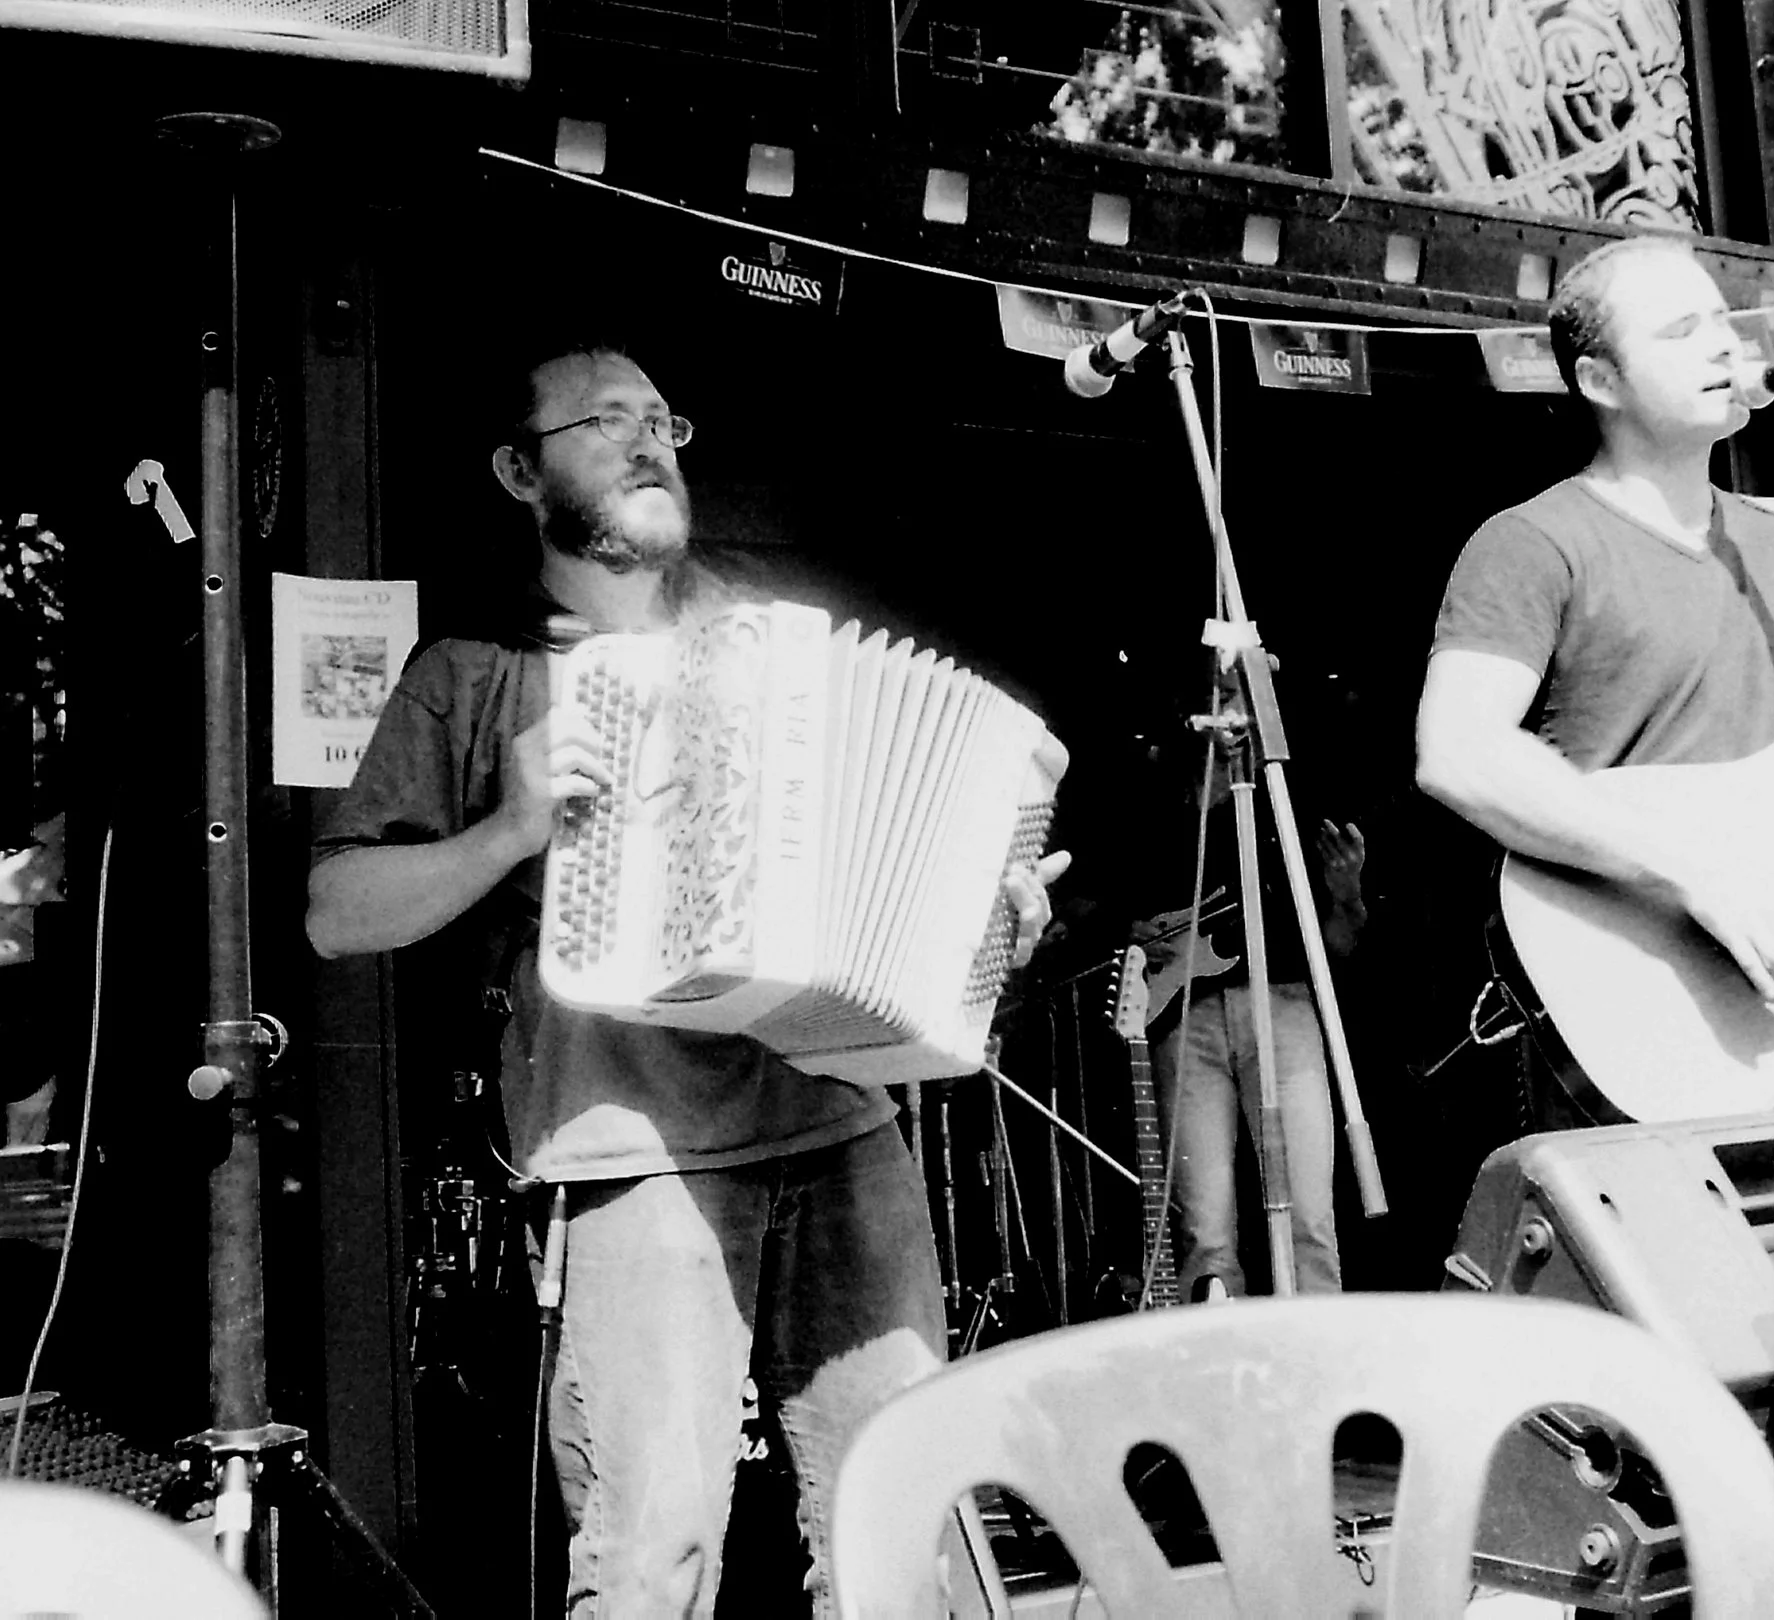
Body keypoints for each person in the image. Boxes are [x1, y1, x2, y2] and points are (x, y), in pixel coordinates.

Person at [304, 340, 1065, 1616]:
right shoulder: (475, 675)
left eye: (661, 418)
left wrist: (991, 923)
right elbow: (336, 913)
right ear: (515, 469)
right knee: (654, 1552)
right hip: (631, 1151)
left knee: (906, 1524)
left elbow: (887, 871)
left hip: (839, 1119)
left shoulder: (775, 653)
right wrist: (505, 831)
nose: (648, 439)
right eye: (604, 421)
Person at [1414, 237, 1774, 1118]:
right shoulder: (1535, 544)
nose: (1725, 346)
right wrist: (1694, 871)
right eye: (1683, 331)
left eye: (1724, 321)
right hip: (1630, 999)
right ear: (1600, 383)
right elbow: (1457, 752)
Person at [1134, 737, 1365, 1300]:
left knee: (1310, 1218)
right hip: (1184, 1018)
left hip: (1281, 1006)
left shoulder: (1284, 797)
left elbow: (1340, 941)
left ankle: (1316, 1362)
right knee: (1204, 1233)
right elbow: (1118, 916)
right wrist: (1135, 934)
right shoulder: (1155, 801)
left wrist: (1348, 895)